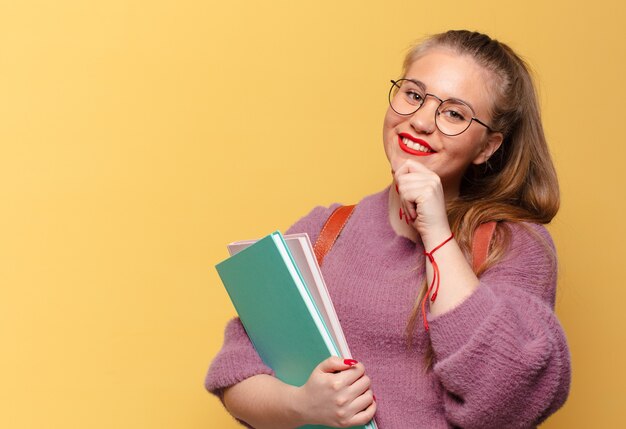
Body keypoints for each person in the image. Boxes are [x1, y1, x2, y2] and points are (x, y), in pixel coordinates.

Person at [205, 30, 571, 429]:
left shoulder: (514, 245)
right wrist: (301, 404)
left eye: (454, 113)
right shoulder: (324, 230)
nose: (419, 121)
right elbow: (235, 374)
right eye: (413, 94)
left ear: (487, 147)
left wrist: (436, 233)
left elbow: (507, 395)